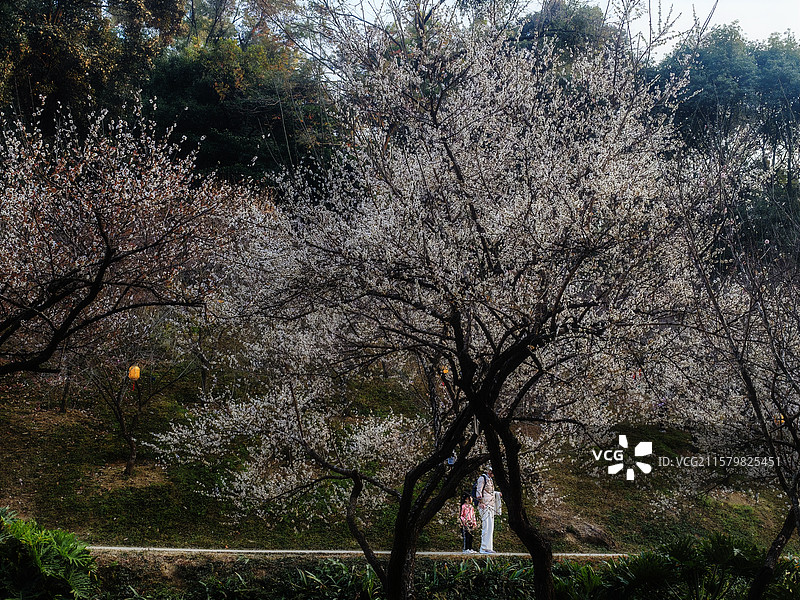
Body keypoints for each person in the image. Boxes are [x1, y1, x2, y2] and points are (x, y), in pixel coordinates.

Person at [476, 466, 498, 554]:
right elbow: (479, 491)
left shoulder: (490, 480)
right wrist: (481, 502)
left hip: (491, 505)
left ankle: (489, 547)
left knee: (490, 527)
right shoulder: (482, 478)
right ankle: (483, 548)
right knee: (486, 526)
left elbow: (490, 492)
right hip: (485, 505)